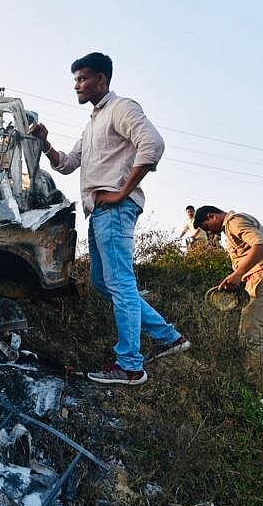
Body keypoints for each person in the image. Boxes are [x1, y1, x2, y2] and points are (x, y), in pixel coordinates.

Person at [28, 52, 190, 385]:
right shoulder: (92, 125)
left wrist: (121, 192)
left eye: (82, 78)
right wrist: (45, 144)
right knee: (105, 282)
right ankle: (170, 337)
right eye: (75, 80)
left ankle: (130, 366)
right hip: (100, 213)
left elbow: (153, 144)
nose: (77, 85)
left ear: (101, 79)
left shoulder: (121, 108)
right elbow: (66, 163)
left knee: (120, 283)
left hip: (115, 209)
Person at [193, 205, 263, 405]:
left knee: (251, 338)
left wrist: (237, 274)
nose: (210, 232)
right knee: (245, 337)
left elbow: (261, 244)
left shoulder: (234, 222)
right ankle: (260, 393)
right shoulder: (232, 226)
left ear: (212, 216)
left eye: (207, 226)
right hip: (262, 279)